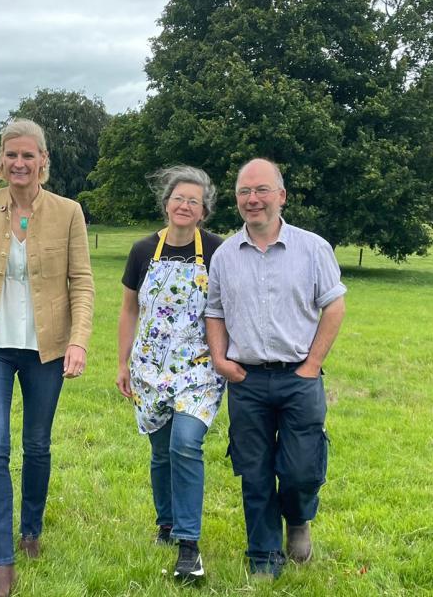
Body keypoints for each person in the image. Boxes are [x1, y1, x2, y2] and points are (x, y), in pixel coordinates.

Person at [0, 118, 94, 597]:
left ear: (43, 161)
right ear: (1, 159)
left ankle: (30, 530)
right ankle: (1, 564)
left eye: (27, 156)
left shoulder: (68, 212)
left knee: (36, 445)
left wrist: (78, 341)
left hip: (46, 349)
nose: (18, 163)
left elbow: (83, 282)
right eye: (10, 155)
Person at [205, 158, 346, 579]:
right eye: (245, 192)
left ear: (281, 196)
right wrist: (220, 359)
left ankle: (299, 519)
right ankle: (263, 557)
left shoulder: (313, 248)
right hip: (246, 379)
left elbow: (334, 305)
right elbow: (214, 311)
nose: (253, 200)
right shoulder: (226, 255)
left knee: (302, 469)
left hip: (299, 376)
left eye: (262, 190)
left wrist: (313, 364)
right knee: (255, 472)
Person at [116, 165, 227, 583]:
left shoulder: (218, 251)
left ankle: (188, 545)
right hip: (149, 370)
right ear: (167, 203)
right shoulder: (143, 250)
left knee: (185, 444)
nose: (184, 205)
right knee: (160, 452)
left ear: (203, 211)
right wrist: (122, 363)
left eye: (193, 201)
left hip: (198, 369)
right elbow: (129, 310)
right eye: (178, 198)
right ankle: (165, 522)